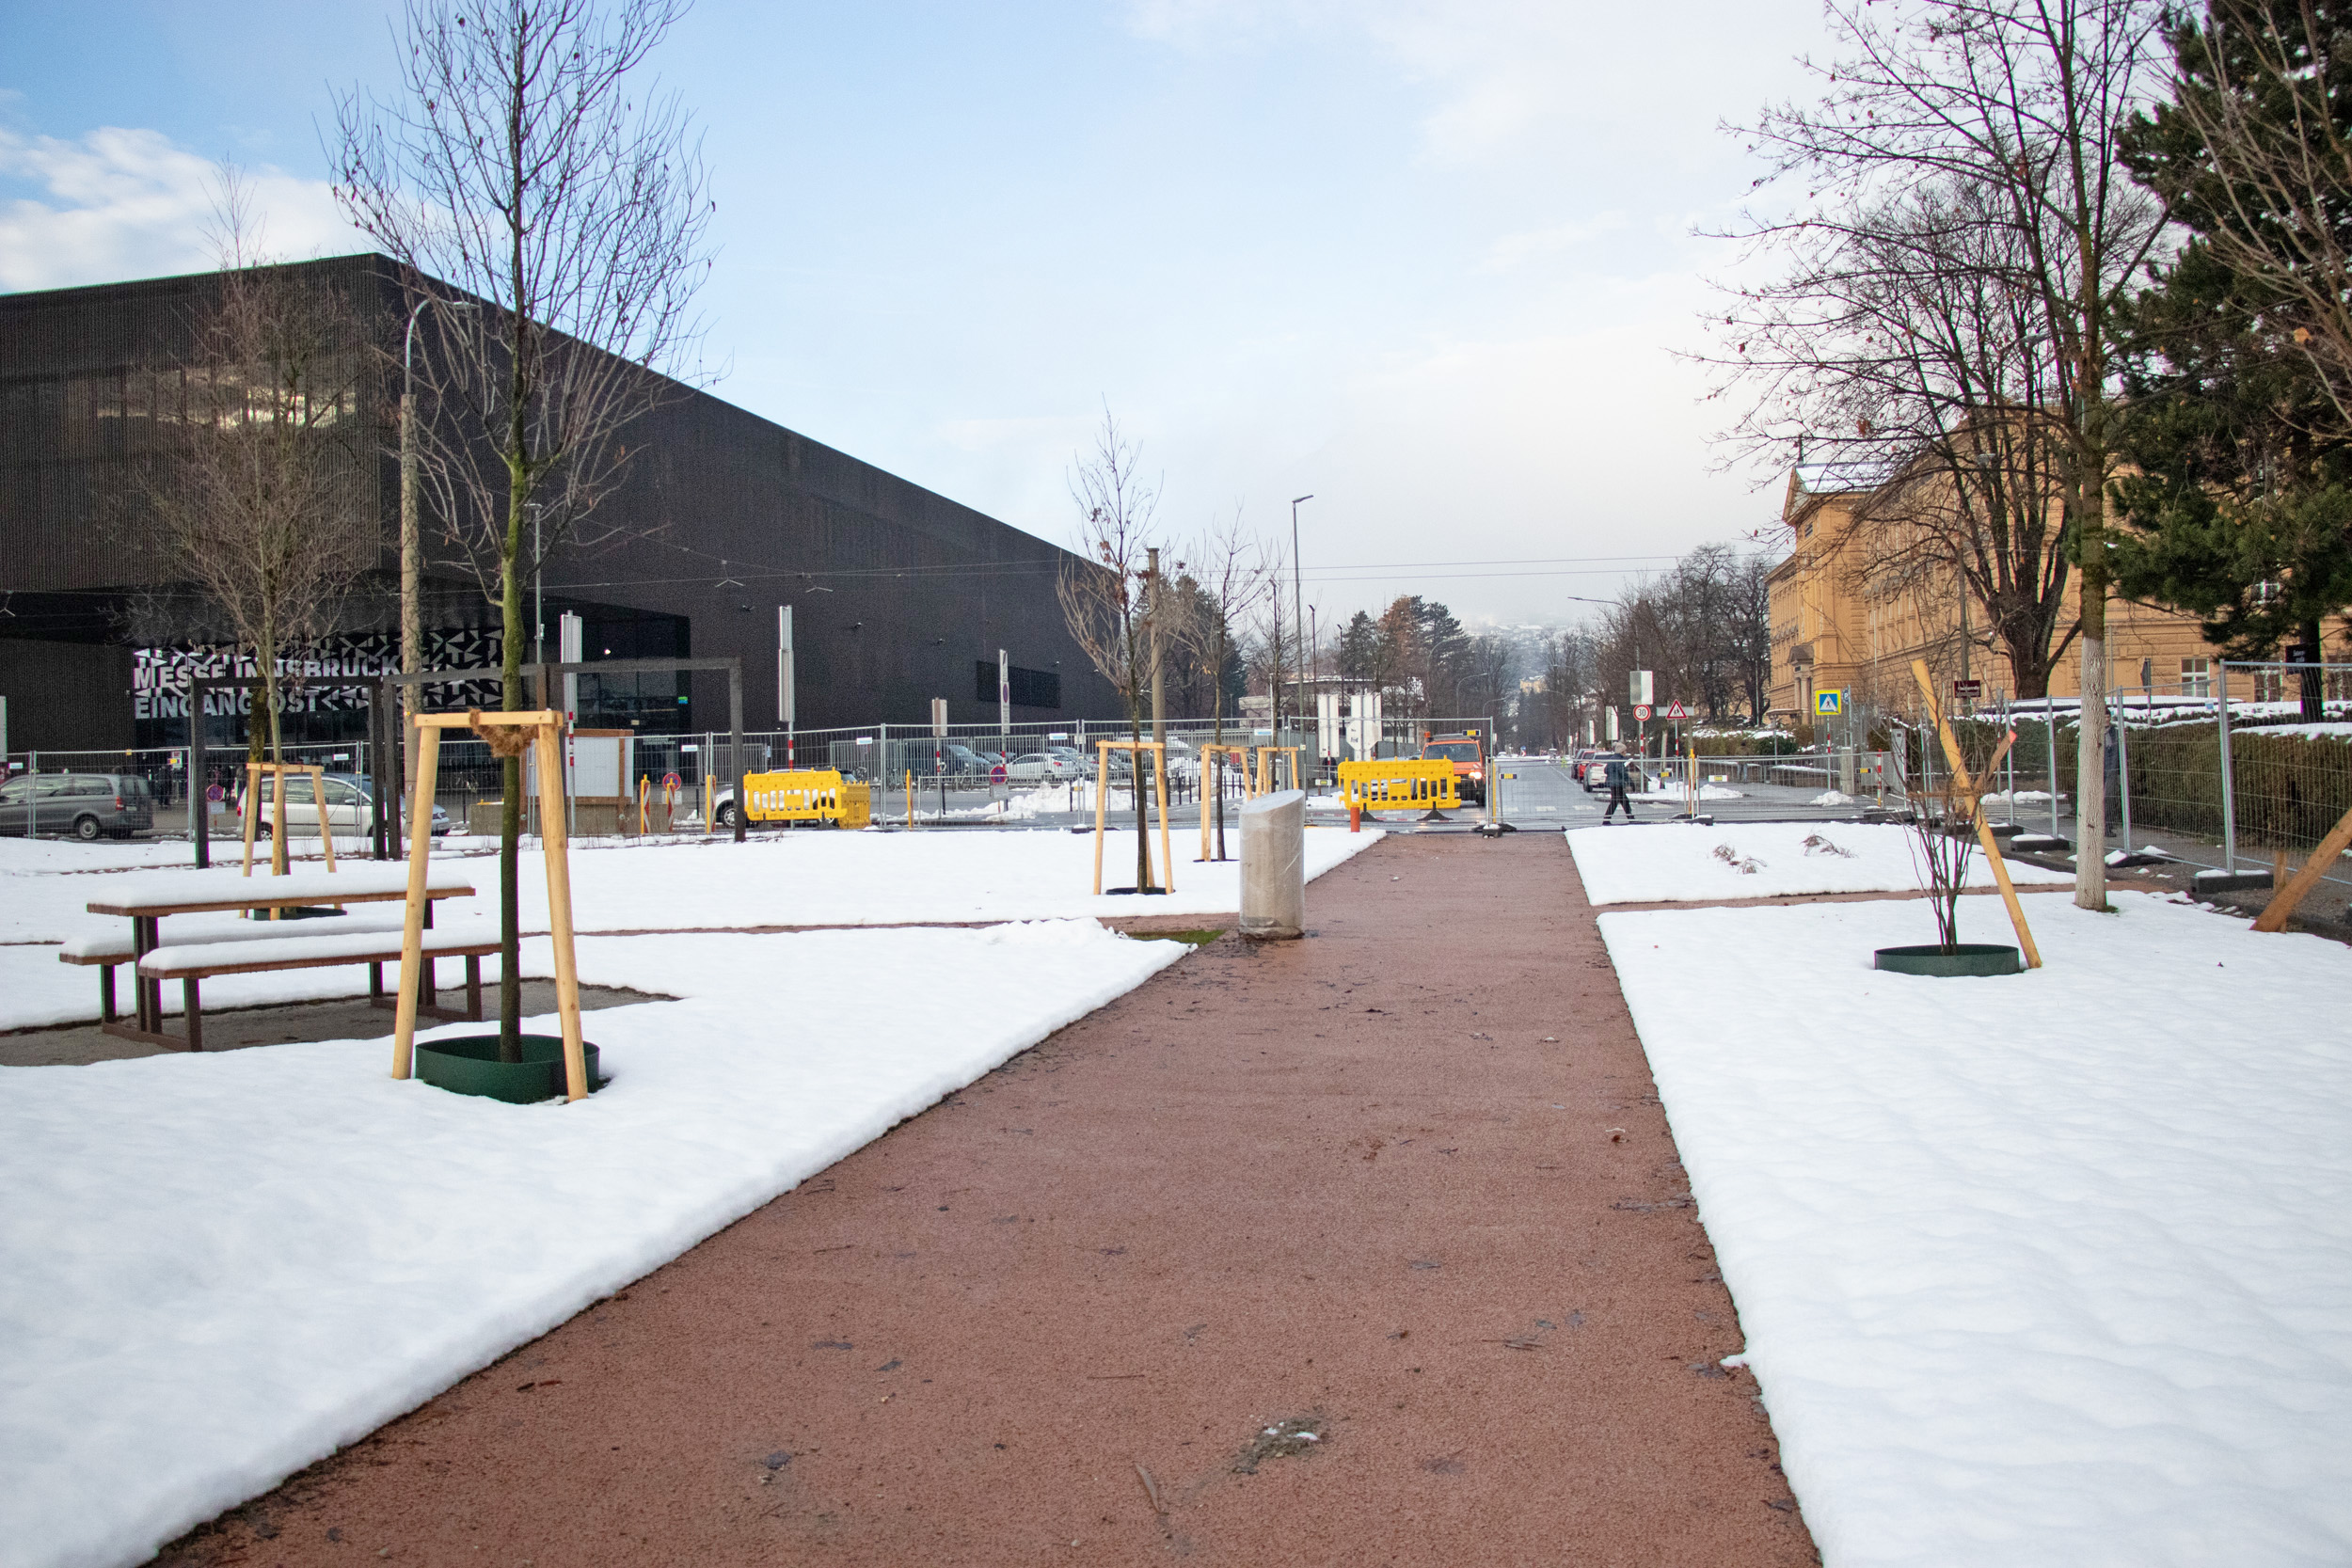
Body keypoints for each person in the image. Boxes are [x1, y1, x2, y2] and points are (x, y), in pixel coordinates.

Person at [1602, 746, 1635, 823]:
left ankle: (1630, 818)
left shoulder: (1612, 758)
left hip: (1613, 783)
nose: (1626, 752)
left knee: (1622, 801)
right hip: (1617, 784)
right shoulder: (1618, 760)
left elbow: (1605, 770)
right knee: (1616, 802)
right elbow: (1623, 772)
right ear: (1621, 751)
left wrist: (1611, 775)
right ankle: (1606, 820)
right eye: (1625, 751)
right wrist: (1630, 782)